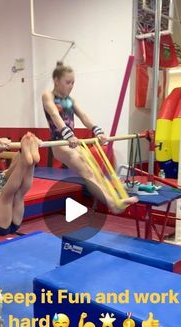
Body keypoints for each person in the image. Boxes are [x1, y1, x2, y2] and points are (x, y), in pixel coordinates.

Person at [42, 61, 137, 213]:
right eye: (68, 82)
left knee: (93, 170)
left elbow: (84, 116)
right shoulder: (48, 96)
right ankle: (112, 204)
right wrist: (68, 134)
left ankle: (114, 200)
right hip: (59, 142)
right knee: (87, 172)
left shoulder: (70, 100)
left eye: (73, 82)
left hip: (72, 142)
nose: (71, 86)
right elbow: (54, 114)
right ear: (56, 81)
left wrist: (97, 131)